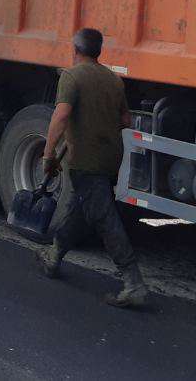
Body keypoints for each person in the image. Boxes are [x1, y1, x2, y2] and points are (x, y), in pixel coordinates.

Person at [37, 27, 150, 308]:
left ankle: (133, 282)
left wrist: (48, 156)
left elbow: (61, 116)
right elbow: (125, 120)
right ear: (98, 51)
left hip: (86, 161)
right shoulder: (114, 80)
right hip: (110, 158)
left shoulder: (71, 76)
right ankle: (54, 255)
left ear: (75, 50)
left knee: (103, 216)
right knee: (81, 207)